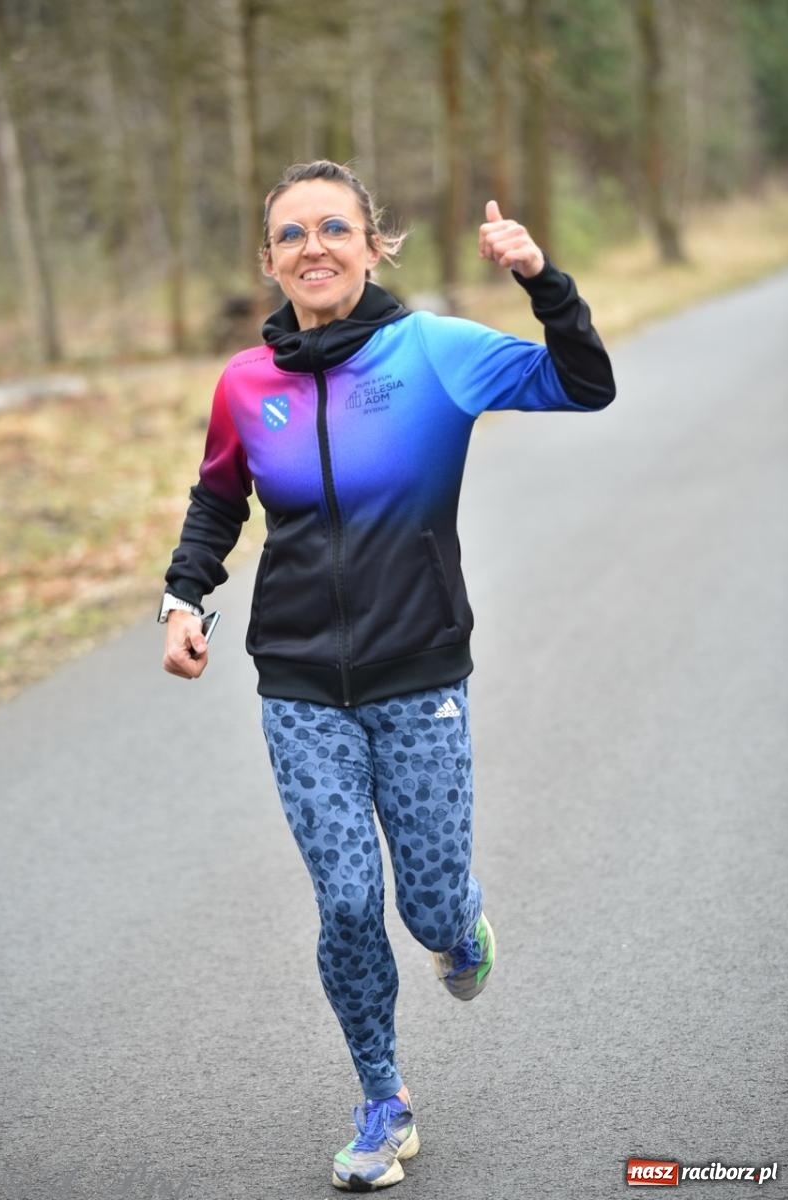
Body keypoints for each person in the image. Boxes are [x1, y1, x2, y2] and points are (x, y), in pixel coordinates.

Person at [160, 159, 615, 1191]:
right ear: (268, 260)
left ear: (373, 244)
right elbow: (218, 502)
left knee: (428, 911)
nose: (312, 247)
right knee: (350, 904)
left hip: (419, 678)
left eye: (334, 228)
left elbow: (587, 384)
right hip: (297, 684)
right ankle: (382, 1100)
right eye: (290, 234)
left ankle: (463, 925)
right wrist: (183, 599)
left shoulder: (438, 354)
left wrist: (542, 278)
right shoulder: (245, 383)